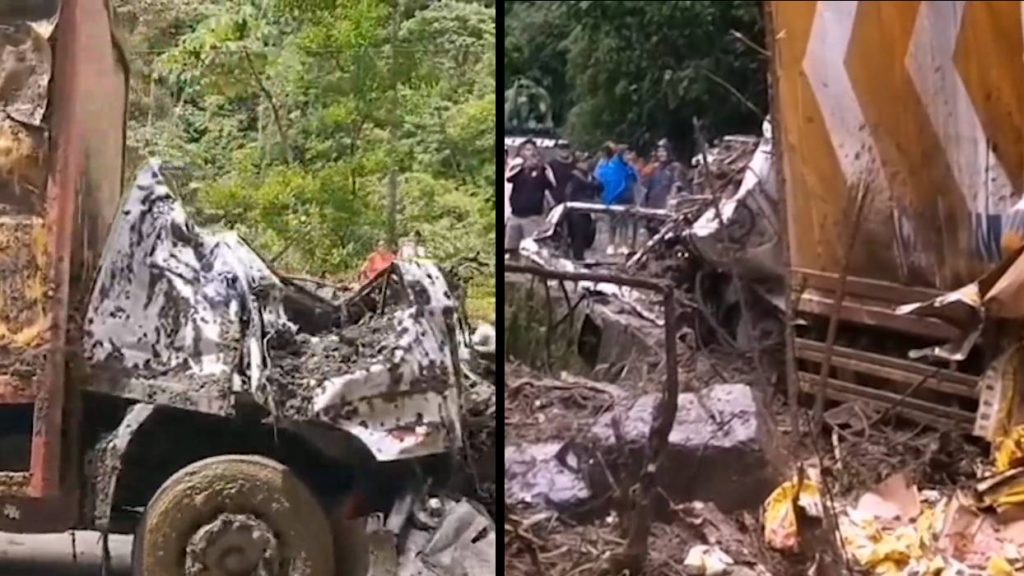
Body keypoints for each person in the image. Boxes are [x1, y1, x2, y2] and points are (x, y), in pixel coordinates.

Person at [505, 139, 556, 253]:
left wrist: (541, 168)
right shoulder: (518, 168)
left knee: (531, 250)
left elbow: (552, 184)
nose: (531, 153)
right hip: (515, 215)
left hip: (533, 217)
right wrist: (522, 166)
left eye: (533, 150)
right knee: (510, 249)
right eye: (527, 150)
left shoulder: (543, 169)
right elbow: (508, 177)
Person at [594, 142, 637, 255]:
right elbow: (605, 179)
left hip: (628, 197)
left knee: (625, 222)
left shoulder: (630, 168)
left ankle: (623, 244)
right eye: (625, 154)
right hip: (614, 198)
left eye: (629, 154)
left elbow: (636, 180)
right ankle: (611, 244)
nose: (628, 157)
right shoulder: (611, 166)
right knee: (613, 222)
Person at [564, 155, 601, 260]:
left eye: (587, 161)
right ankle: (577, 257)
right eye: (584, 161)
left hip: (588, 210)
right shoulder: (573, 177)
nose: (587, 164)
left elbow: (599, 187)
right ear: (578, 163)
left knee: (586, 233)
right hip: (576, 211)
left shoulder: (590, 176)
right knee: (577, 235)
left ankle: (580, 256)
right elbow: (569, 194)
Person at [549, 141, 575, 206]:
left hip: (574, 200)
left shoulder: (576, 163)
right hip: (557, 201)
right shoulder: (551, 165)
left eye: (566, 148)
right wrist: (551, 201)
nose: (564, 150)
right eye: (561, 148)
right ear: (557, 150)